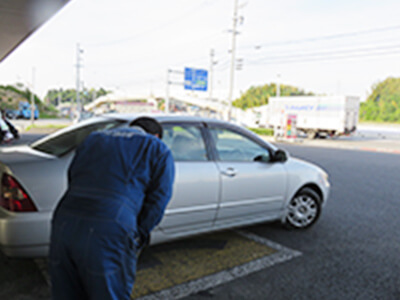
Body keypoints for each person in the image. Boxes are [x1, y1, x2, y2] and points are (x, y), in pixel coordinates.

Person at [49, 117, 175, 300]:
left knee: (67, 292)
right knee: (108, 293)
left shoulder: (93, 140)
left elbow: (73, 176)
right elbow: (159, 199)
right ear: (156, 135)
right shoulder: (156, 147)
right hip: (110, 228)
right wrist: (138, 233)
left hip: (64, 221)